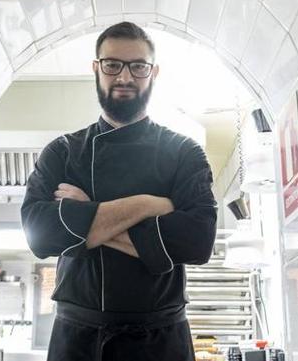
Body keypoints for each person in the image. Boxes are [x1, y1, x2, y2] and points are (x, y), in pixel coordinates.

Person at [21, 21, 217, 361]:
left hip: (160, 339)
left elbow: (198, 241)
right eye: (112, 65)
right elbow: (40, 236)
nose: (125, 78)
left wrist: (86, 214)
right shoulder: (64, 151)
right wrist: (147, 205)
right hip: (76, 339)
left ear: (153, 72)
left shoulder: (183, 152)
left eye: (138, 66)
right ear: (96, 69)